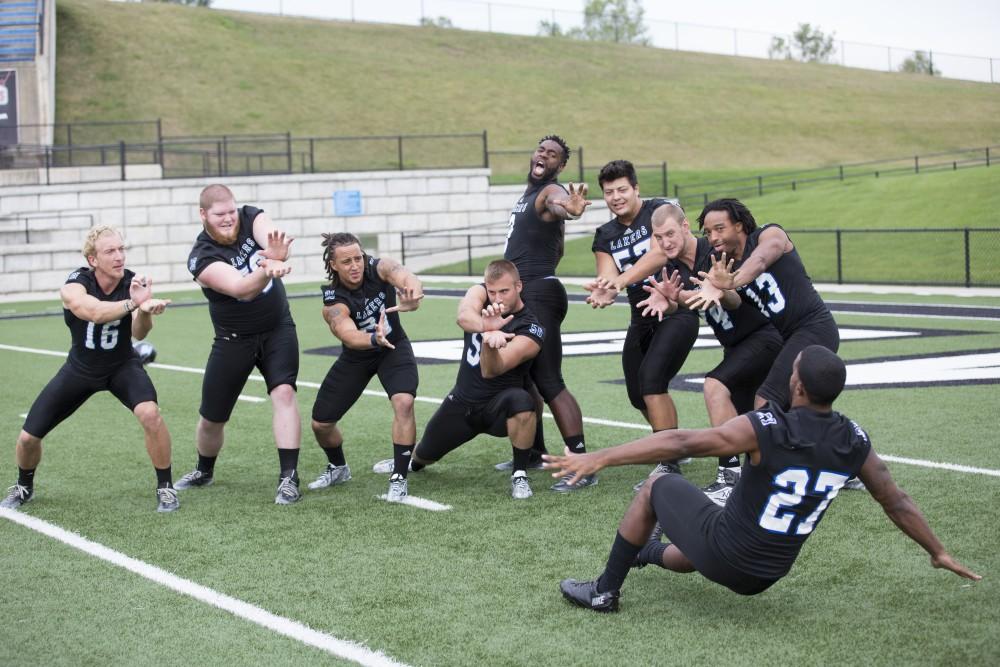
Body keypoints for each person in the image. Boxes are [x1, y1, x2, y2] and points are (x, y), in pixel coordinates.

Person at [545, 346, 980, 613]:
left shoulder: (770, 426)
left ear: (800, 388)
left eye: (792, 372)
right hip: (769, 574)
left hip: (725, 552)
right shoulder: (853, 439)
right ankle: (647, 553)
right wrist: (937, 551)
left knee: (660, 485)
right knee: (713, 525)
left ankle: (604, 591)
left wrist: (601, 457)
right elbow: (897, 501)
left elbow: (679, 444)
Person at [1, 225, 178, 513]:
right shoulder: (76, 284)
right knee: (27, 438)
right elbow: (94, 312)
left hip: (122, 365)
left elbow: (139, 333)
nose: (119, 256)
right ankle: (24, 485)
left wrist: (145, 312)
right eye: (110, 251)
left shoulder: (132, 282)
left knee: (150, 413)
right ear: (93, 259)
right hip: (80, 369)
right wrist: (135, 301)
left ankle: (165, 487)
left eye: (121, 249)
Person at [637, 202, 783, 505]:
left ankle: (730, 477)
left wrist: (706, 293)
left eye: (670, 234)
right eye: (659, 238)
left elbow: (732, 301)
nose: (665, 243)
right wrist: (673, 303)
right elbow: (691, 300)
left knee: (715, 386)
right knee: (768, 418)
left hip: (762, 335)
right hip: (737, 345)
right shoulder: (675, 266)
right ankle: (841, 461)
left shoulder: (715, 252)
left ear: (686, 227)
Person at [176, 184, 303, 505]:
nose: (229, 218)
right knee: (212, 418)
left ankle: (289, 476)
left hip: (277, 329)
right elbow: (240, 289)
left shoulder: (249, 216)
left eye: (231, 211)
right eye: (220, 214)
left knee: (284, 392)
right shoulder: (201, 256)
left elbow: (271, 236)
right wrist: (267, 267)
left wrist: (278, 251)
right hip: (234, 340)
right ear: (203, 214)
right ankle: (204, 469)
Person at [376, 260, 544, 499]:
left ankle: (519, 475)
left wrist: (490, 338)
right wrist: (487, 325)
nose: (497, 298)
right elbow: (464, 316)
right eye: (492, 291)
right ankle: (412, 463)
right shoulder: (479, 293)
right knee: (424, 454)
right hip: (462, 402)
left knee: (523, 402)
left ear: (519, 286)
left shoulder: (531, 326)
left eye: (504, 291)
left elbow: (491, 370)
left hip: (499, 409)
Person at [584, 161, 699, 489]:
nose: (616, 197)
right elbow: (606, 271)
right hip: (642, 316)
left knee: (652, 382)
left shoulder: (659, 211)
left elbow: (660, 254)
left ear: (636, 189)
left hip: (675, 308)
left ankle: (669, 463)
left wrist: (618, 282)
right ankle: (672, 442)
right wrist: (605, 288)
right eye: (609, 192)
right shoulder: (605, 234)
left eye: (622, 189)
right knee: (637, 393)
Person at [501, 134, 594, 492]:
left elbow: (560, 205)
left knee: (549, 380)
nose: (544, 155)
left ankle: (582, 463)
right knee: (527, 379)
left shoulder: (549, 192)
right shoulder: (528, 194)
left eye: (552, 154)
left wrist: (570, 206)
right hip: (529, 292)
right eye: (541, 150)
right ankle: (533, 451)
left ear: (560, 165)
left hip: (539, 292)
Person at [309, 233, 424, 503]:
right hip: (358, 355)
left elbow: (405, 276)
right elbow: (347, 334)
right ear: (334, 265)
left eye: (358, 258)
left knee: (404, 402)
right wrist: (373, 338)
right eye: (346, 261)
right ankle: (339, 467)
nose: (355, 265)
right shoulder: (333, 301)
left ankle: (399, 477)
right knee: (321, 424)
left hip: (393, 348)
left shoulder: (378, 267)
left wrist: (413, 295)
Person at [694, 198, 839, 412]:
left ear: (739, 225)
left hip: (814, 328)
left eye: (719, 229)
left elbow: (760, 260)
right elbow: (726, 296)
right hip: (785, 338)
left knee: (766, 402)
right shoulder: (721, 263)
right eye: (708, 232)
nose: (713, 238)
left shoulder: (769, 234)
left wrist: (732, 281)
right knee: (763, 407)